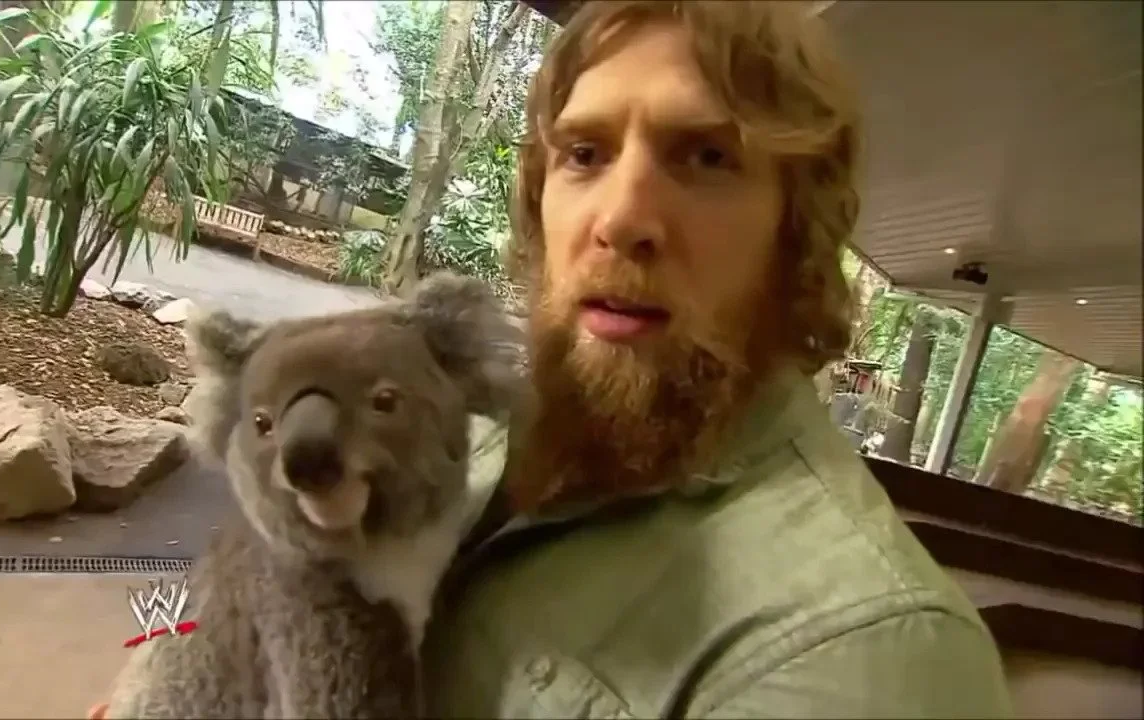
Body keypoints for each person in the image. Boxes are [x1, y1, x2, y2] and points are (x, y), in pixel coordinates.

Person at [90, 1, 1013, 717]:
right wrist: (159, 657)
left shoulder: (863, 654)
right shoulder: (462, 420)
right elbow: (247, 563)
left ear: (796, 232)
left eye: (704, 158)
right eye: (584, 152)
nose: (620, 218)